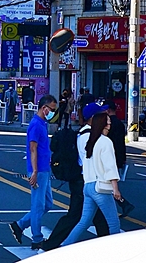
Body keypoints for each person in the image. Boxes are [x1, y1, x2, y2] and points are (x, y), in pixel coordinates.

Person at [41, 105, 110, 251]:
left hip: (85, 181)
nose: (106, 118)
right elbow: (89, 162)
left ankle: (108, 244)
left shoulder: (89, 135)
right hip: (84, 182)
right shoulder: (86, 137)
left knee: (96, 216)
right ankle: (50, 245)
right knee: (77, 216)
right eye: (102, 115)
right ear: (93, 118)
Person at [60, 109, 123, 246]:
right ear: (102, 125)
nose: (109, 125)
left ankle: (65, 246)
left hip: (88, 186)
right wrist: (115, 188)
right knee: (113, 222)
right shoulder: (105, 142)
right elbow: (110, 167)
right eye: (107, 122)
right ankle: (116, 252)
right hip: (100, 187)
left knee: (84, 221)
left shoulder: (91, 142)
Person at [9, 95, 57, 251]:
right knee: (38, 205)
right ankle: (37, 239)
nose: (53, 113)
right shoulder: (36, 125)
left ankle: (20, 225)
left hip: (44, 169)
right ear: (44, 108)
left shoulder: (42, 123)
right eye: (52, 109)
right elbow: (33, 148)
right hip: (38, 169)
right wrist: (34, 171)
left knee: (47, 204)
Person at [106, 100, 127, 179]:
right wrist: (123, 158)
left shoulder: (105, 123)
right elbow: (122, 142)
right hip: (118, 154)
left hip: (107, 153)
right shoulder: (120, 124)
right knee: (115, 176)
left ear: (108, 110)